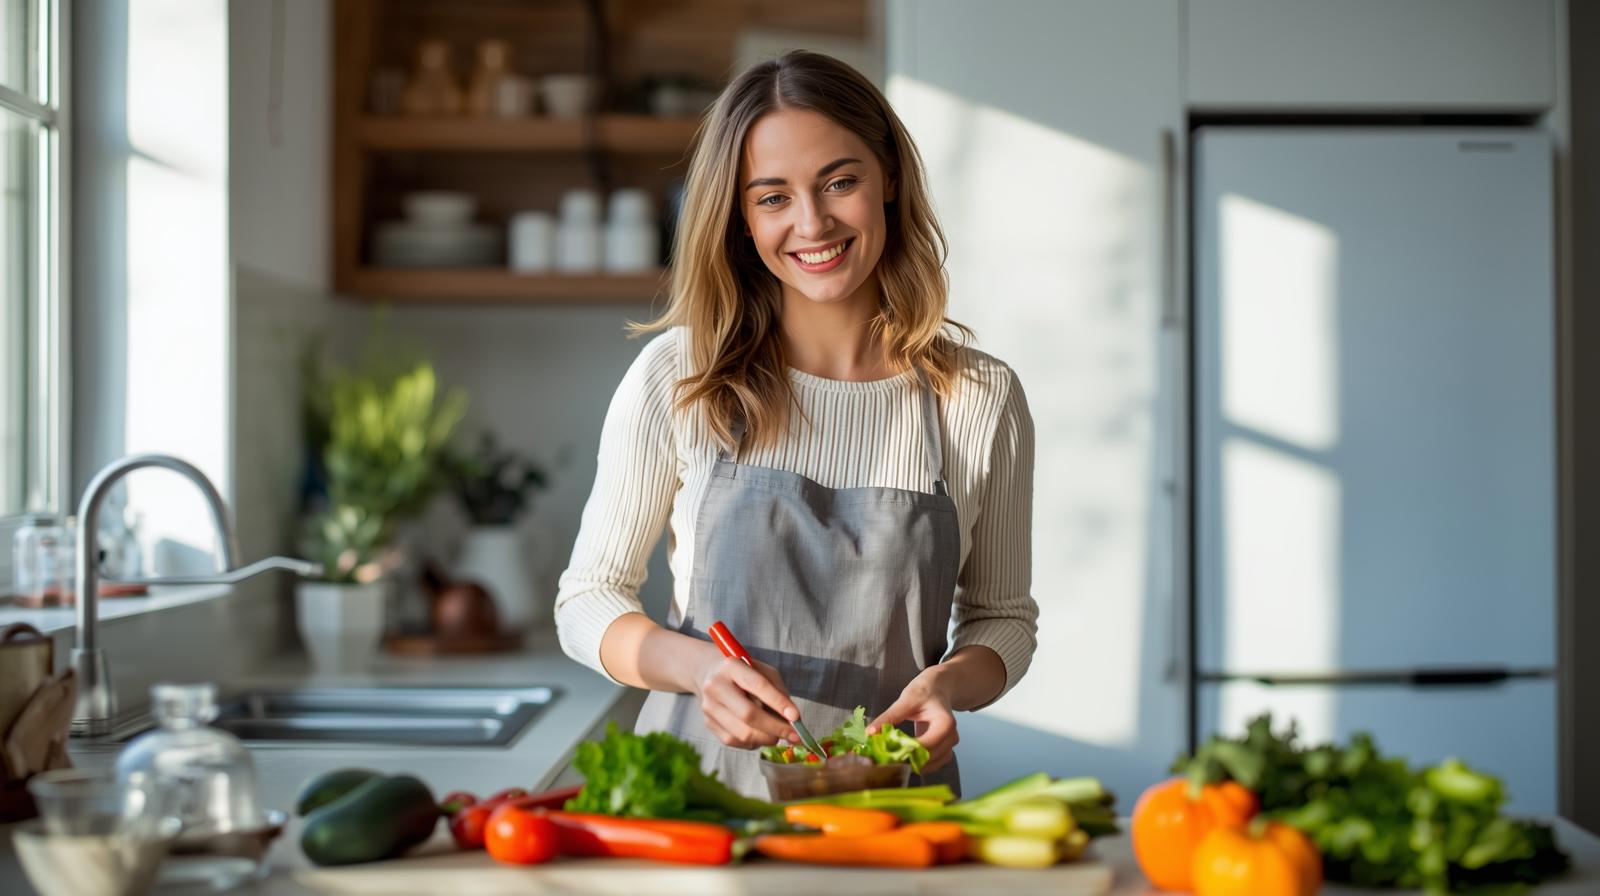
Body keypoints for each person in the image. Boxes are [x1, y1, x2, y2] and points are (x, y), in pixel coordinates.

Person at [554, 50, 1038, 798]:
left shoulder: (977, 397)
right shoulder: (680, 377)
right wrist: (699, 669)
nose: (812, 223)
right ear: (742, 220)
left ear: (889, 181)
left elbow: (1002, 619)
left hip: (887, 810)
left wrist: (951, 685)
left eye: (839, 182)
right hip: (703, 807)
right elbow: (588, 600)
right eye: (772, 197)